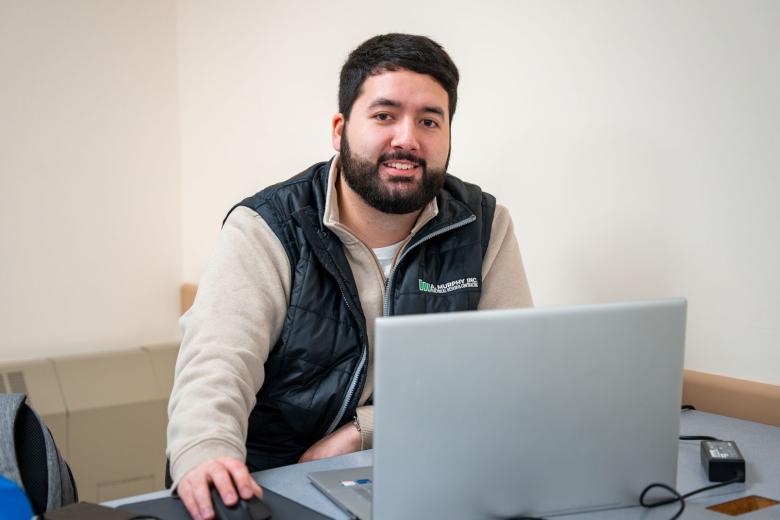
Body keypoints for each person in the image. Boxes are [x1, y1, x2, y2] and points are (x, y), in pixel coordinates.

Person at [166, 33, 533, 520]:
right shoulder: (268, 227)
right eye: (384, 115)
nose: (407, 138)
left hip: (430, 480)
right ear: (339, 129)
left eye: (429, 120)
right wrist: (207, 450)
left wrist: (366, 431)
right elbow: (216, 365)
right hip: (275, 485)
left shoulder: (484, 226)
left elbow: (507, 381)